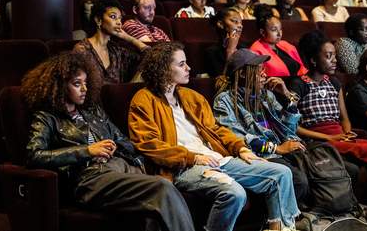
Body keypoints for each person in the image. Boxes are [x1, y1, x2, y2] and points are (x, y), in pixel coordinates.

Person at [128, 42, 300, 231]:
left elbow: (216, 129)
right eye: (181, 64)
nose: (189, 68)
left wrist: (240, 148)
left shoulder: (191, 96)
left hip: (216, 159)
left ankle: (278, 228)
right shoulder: (143, 100)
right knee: (235, 193)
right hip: (182, 166)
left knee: (282, 173)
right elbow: (149, 144)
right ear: (163, 69)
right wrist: (193, 157)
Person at [21, 52, 196, 231]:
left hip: (121, 167)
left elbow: (124, 142)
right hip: (89, 177)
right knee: (163, 187)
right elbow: (34, 155)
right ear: (59, 86)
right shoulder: (46, 118)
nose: (84, 89)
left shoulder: (93, 111)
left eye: (86, 83)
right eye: (76, 84)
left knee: (157, 206)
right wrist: (87, 151)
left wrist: (114, 149)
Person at [213, 48, 309, 205]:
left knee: (320, 168)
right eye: (259, 71)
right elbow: (238, 138)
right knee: (298, 180)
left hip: (281, 150)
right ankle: (275, 223)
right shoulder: (224, 101)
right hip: (258, 156)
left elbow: (288, 130)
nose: (265, 75)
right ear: (243, 74)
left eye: (264, 70)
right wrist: (276, 149)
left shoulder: (266, 96)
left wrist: (287, 96)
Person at [288, 30, 367, 179]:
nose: (334, 61)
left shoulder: (334, 82)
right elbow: (293, 126)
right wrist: (329, 138)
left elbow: (344, 118)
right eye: (328, 56)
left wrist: (346, 133)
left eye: (334, 56)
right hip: (317, 140)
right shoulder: (298, 85)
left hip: (339, 136)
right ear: (313, 60)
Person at [74, 0, 148, 84]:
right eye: (113, 17)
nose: (119, 22)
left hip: (119, 97)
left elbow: (150, 56)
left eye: (120, 19)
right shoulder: (82, 49)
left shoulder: (116, 50)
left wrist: (129, 38)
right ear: (98, 20)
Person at [250, 4, 308, 78]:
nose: (279, 33)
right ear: (263, 32)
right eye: (274, 30)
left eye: (280, 29)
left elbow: (302, 69)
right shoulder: (256, 50)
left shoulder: (285, 44)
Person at [204, 7, 245, 77]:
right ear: (220, 24)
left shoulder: (244, 48)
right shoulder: (211, 52)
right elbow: (222, 82)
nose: (240, 26)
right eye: (235, 21)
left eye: (241, 23)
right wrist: (230, 51)